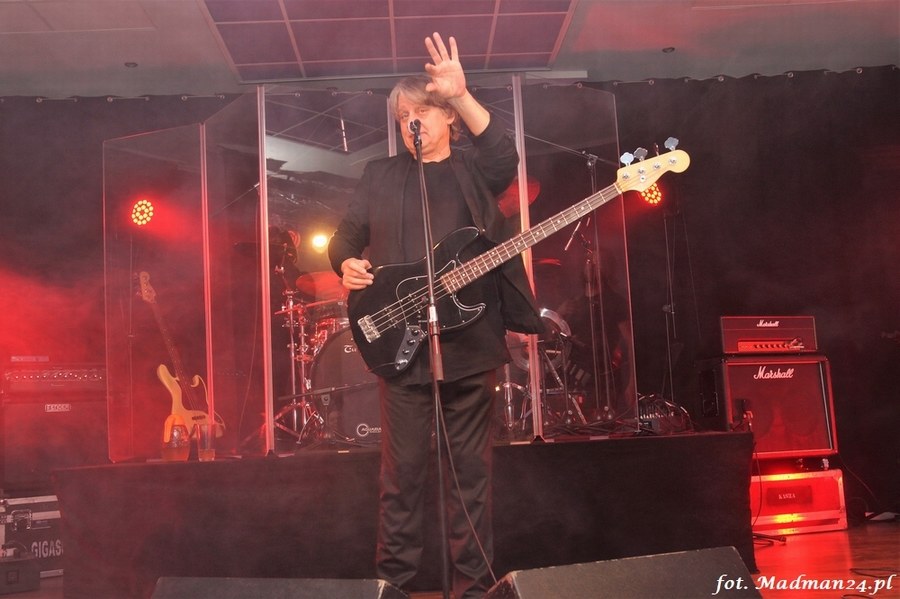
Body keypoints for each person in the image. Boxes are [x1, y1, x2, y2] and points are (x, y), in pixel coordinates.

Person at [328, 33, 542, 599]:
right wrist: (345, 262)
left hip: (470, 344)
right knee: (401, 478)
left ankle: (472, 590)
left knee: (471, 476)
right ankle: (393, 587)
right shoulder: (380, 175)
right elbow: (346, 236)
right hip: (402, 348)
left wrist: (462, 94)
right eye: (403, 116)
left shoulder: (475, 171)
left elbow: (504, 156)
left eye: (420, 111)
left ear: (446, 117)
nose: (410, 123)